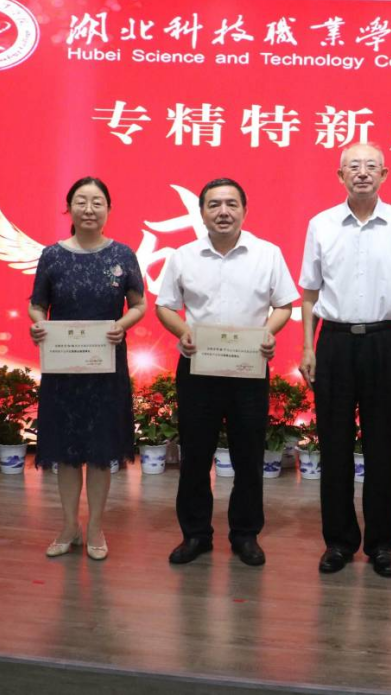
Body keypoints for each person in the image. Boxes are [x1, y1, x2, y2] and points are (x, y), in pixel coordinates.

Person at [299, 142, 391, 578]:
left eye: (370, 166)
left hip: (385, 342)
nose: (362, 172)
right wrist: (307, 346)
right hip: (334, 343)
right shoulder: (320, 224)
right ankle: (338, 542)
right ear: (340, 176)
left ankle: (381, 544)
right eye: (353, 166)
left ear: (384, 174)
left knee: (383, 447)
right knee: (334, 446)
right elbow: (310, 292)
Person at [156, 178, 298, 566]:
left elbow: (284, 304)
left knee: (248, 456)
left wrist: (268, 332)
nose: (223, 212)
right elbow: (165, 305)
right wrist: (183, 331)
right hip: (197, 367)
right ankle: (196, 534)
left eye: (231, 204)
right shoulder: (183, 256)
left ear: (244, 211)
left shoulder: (267, 254)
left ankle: (245, 534)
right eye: (214, 204)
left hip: (248, 369)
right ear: (202, 212)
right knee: (195, 455)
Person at [28, 176, 146, 562]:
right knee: (65, 451)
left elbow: (139, 305)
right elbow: (37, 305)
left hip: (105, 367)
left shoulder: (123, 254)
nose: (89, 209)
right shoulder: (52, 255)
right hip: (62, 369)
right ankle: (68, 525)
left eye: (97, 202)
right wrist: (39, 325)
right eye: (81, 201)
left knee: (99, 450)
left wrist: (121, 326)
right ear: (69, 208)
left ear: (109, 209)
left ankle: (95, 526)